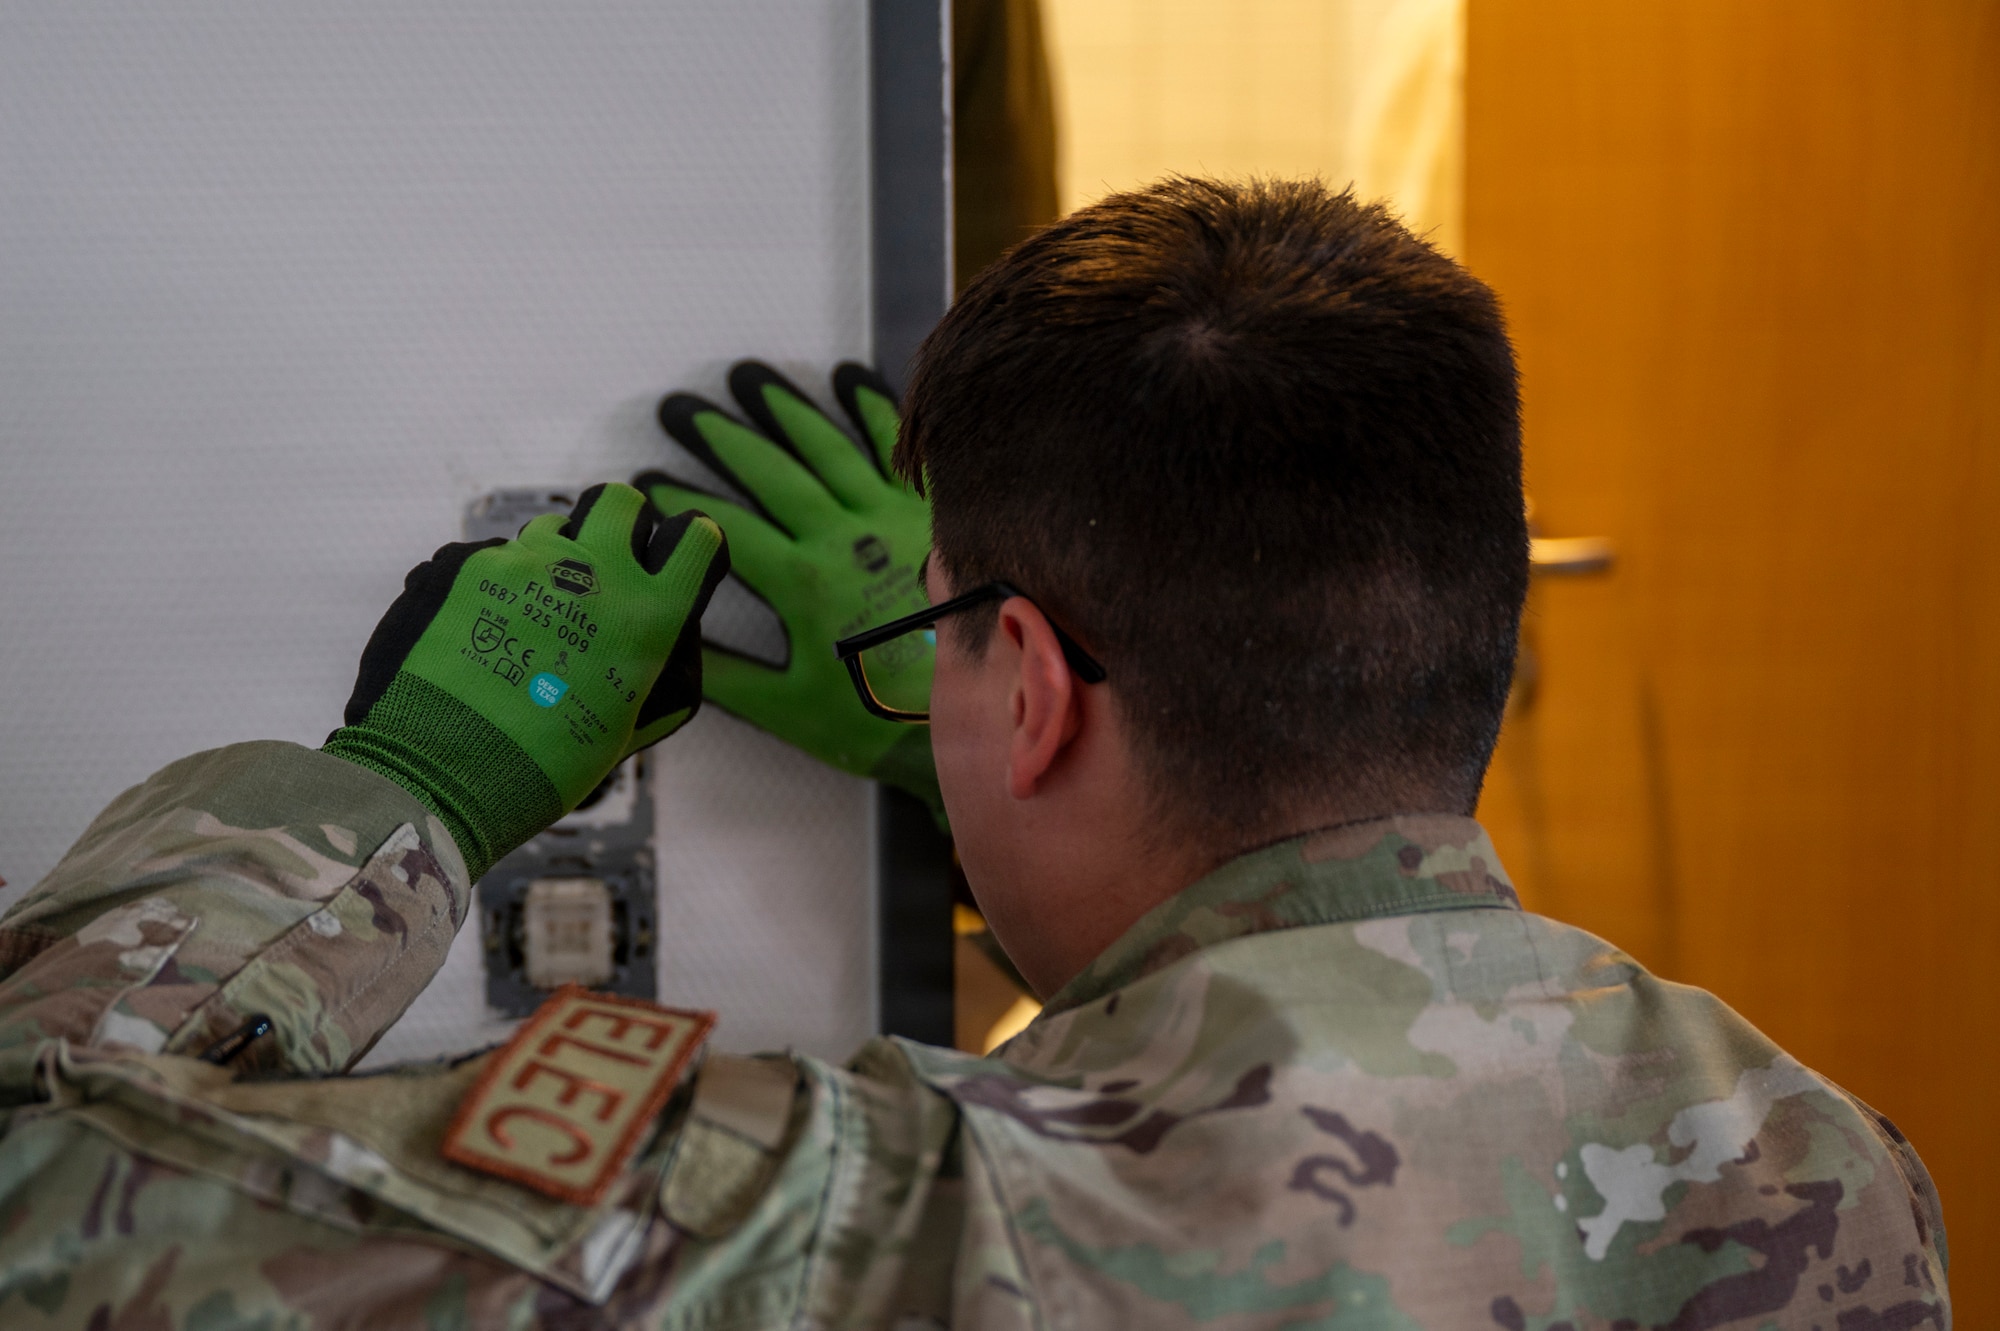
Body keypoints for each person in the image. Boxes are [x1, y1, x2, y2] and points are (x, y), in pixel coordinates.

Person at [0, 179, 1948, 1329]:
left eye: (941, 637)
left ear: (1028, 684)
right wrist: (991, 780)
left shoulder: (862, 1207)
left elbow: (32, 1199)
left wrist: (414, 784)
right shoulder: (1819, 1162)